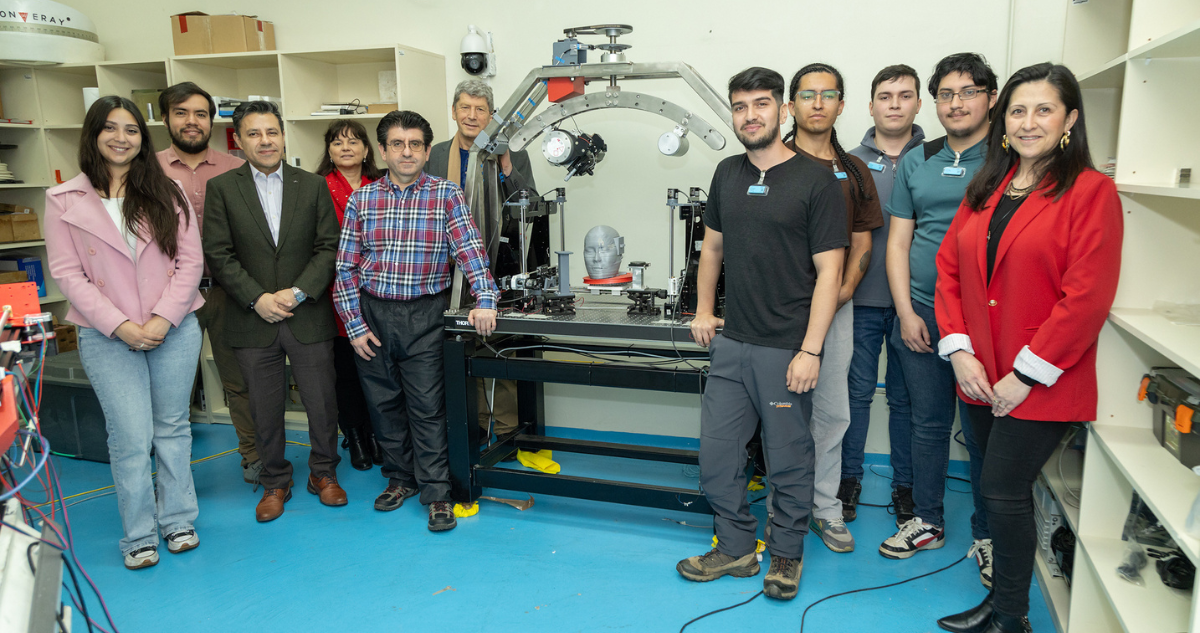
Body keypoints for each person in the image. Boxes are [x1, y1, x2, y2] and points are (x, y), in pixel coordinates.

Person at [934, 63, 1122, 633]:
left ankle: (1012, 615)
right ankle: (1004, 605)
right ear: (1002, 118)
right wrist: (960, 352)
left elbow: (1086, 298)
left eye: (1043, 109)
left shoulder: (1092, 192)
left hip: (1040, 379)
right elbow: (949, 272)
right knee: (998, 493)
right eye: (1018, 110)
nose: (1028, 121)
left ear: (1069, 119)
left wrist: (1026, 374)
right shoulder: (987, 186)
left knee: (1003, 491)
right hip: (979, 373)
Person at [675, 67, 846, 601]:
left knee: (789, 459)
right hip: (732, 343)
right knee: (717, 457)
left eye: (761, 104)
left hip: (785, 349)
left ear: (784, 111)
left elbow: (830, 274)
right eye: (741, 105)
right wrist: (704, 309)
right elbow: (712, 249)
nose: (750, 115)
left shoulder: (818, 181)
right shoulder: (726, 172)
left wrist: (811, 350)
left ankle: (787, 555)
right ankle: (736, 548)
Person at [45, 96, 204, 569]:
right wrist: (121, 326)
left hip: (172, 328)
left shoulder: (167, 191)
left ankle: (178, 519)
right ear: (93, 135)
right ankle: (138, 533)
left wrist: (160, 319)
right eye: (111, 128)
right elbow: (67, 275)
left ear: (143, 137)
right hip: (106, 335)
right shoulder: (63, 199)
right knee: (130, 436)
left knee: (172, 428)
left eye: (132, 130)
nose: (121, 138)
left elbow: (189, 262)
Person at [333, 110, 499, 532]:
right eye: (397, 144)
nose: (406, 152)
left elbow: (471, 251)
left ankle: (436, 492)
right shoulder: (362, 200)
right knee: (383, 405)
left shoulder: (447, 195)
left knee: (427, 407)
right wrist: (354, 325)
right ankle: (399, 478)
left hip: (426, 314)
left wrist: (486, 298)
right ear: (383, 150)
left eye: (415, 145)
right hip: (373, 313)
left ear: (427, 151)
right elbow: (346, 269)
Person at [881, 54, 997, 577]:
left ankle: (990, 533)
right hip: (923, 312)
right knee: (928, 423)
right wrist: (905, 311)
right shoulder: (918, 158)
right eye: (947, 94)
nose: (957, 103)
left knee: (982, 431)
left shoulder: (1010, 156)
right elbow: (899, 240)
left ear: (990, 98)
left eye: (968, 92)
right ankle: (927, 520)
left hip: (984, 319)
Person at [202, 100, 346, 522]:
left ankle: (323, 473)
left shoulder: (312, 185)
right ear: (238, 140)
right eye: (254, 133)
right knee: (263, 407)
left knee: (322, 403)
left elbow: (328, 246)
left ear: (283, 136)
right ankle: (275, 481)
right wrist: (258, 298)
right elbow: (219, 252)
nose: (265, 141)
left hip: (307, 314)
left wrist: (299, 292)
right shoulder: (223, 189)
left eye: (272, 132)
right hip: (251, 317)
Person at [782, 62, 883, 554]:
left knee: (831, 413)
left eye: (828, 95)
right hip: (772, 311)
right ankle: (786, 509)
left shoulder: (853, 170)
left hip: (836, 311)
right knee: (774, 413)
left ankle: (824, 508)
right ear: (792, 104)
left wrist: (840, 294)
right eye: (807, 94)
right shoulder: (769, 162)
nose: (817, 103)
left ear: (842, 104)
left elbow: (862, 240)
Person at [154, 82, 256, 486]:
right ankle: (166, 473)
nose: (191, 122)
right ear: (166, 119)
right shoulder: (147, 170)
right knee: (167, 391)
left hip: (227, 291)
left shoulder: (235, 167)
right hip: (167, 295)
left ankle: (254, 457)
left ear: (212, 121)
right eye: (181, 113)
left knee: (240, 380)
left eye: (200, 114)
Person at [427, 79, 538, 441]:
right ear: (454, 111)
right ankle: (470, 431)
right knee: (459, 354)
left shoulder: (514, 152)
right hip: (444, 270)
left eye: (480, 109)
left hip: (499, 267)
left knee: (500, 353)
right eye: (465, 107)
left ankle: (506, 434)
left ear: (492, 115)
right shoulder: (436, 153)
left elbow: (532, 206)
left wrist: (506, 164)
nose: (472, 116)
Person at [843, 64, 925, 524]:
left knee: (905, 399)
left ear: (918, 103)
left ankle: (906, 488)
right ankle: (847, 480)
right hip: (860, 301)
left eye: (904, 95)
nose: (894, 104)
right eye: (885, 96)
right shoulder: (849, 162)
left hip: (915, 305)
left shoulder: (935, 159)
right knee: (853, 395)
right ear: (870, 104)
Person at [315, 119, 384, 471]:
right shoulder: (317, 187)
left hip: (376, 289)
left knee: (375, 366)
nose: (346, 147)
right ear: (328, 149)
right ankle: (355, 436)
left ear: (367, 149)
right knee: (344, 370)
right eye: (338, 142)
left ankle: (377, 435)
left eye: (354, 141)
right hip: (334, 290)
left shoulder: (381, 185)